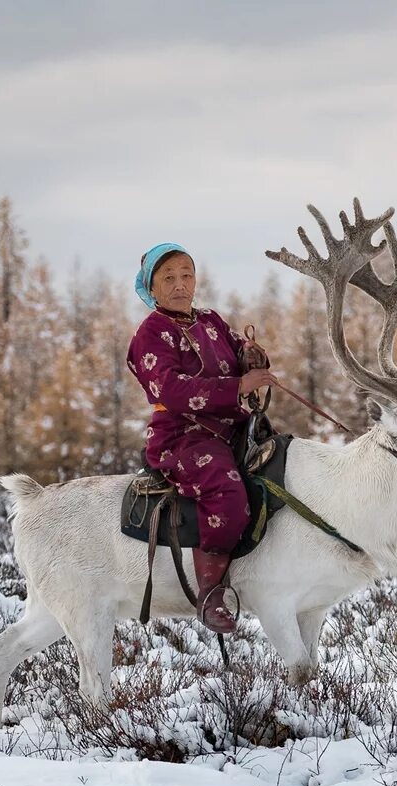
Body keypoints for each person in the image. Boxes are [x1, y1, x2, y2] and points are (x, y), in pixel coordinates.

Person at [126, 243, 278, 634]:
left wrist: (250, 355)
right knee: (227, 492)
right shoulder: (151, 333)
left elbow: (234, 346)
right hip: (183, 435)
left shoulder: (210, 319)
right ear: (152, 289)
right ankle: (210, 593)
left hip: (231, 426)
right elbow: (171, 390)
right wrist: (238, 385)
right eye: (169, 278)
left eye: (186, 275)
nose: (180, 285)